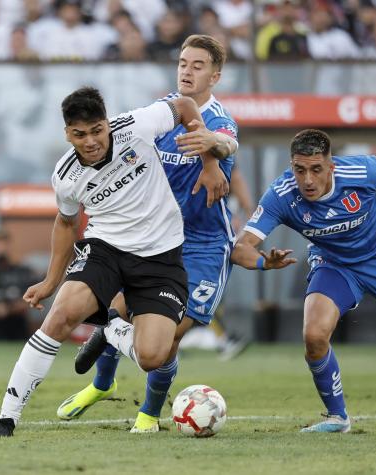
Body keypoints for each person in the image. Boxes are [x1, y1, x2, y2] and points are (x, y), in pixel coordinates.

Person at [0, 85, 229, 437]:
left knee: (153, 356)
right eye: (79, 134)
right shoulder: (65, 177)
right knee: (59, 316)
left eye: (97, 130)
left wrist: (210, 161)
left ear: (107, 124)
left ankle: (110, 331)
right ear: (67, 134)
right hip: (105, 249)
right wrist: (51, 281)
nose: (91, 141)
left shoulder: (137, 126)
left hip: (161, 257)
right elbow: (65, 223)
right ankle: (6, 418)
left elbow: (186, 106)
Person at [56, 34, 242, 433]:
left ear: (216, 75)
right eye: (183, 63)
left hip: (204, 245)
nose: (187, 71)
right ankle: (102, 384)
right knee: (117, 308)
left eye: (198, 65)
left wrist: (212, 152)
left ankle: (148, 414)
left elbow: (228, 143)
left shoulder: (220, 120)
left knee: (167, 337)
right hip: (153, 239)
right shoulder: (163, 113)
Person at [230, 129, 376, 433]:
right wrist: (263, 262)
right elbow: (240, 247)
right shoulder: (282, 195)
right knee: (314, 335)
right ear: (292, 166)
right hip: (335, 265)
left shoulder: (362, 170)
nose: (307, 180)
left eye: (316, 169)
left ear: (330, 166)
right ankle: (337, 417)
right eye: (300, 170)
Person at [0, 228, 36, 341]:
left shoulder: (22, 271)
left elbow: (34, 298)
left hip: (19, 329)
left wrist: (11, 308)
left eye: (3, 242)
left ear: (9, 245)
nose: (0, 246)